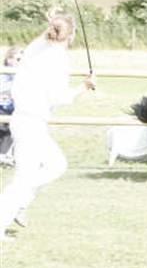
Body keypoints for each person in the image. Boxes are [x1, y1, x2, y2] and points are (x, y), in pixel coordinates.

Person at [0, 14, 96, 241]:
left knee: (57, 165)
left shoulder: (35, 48)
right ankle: (11, 207)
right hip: (31, 123)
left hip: (25, 121)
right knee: (24, 180)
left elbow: (42, 38)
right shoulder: (59, 59)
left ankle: (20, 202)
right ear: (71, 35)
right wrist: (84, 87)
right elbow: (58, 98)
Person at [0, 46, 23, 165]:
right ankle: (4, 156)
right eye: (18, 59)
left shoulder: (23, 75)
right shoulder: (3, 74)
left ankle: (10, 156)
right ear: (9, 60)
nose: (21, 63)